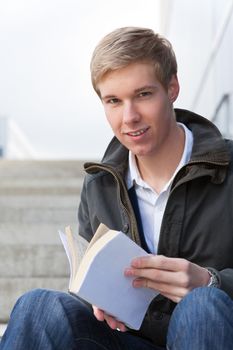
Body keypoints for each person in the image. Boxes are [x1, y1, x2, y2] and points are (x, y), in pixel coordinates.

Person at [1, 26, 233, 350]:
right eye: (113, 100)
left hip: (212, 334)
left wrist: (211, 282)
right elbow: (85, 294)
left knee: (203, 306)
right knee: (38, 307)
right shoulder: (99, 185)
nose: (129, 117)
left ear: (172, 87)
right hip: (127, 341)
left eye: (143, 95)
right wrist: (97, 302)